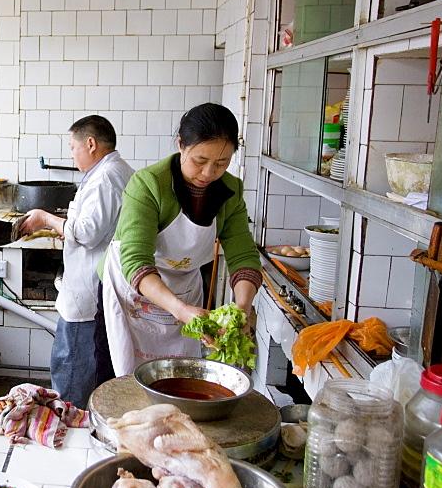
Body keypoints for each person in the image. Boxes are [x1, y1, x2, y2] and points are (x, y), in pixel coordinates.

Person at [97, 103, 262, 378]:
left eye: (221, 163)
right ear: (181, 145)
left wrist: (243, 307)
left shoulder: (230, 191)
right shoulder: (147, 184)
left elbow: (243, 256)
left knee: (178, 380)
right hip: (130, 289)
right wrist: (181, 311)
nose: (209, 174)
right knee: (117, 382)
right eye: (200, 161)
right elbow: (136, 261)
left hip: (183, 288)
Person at [20, 115, 134, 408]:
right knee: (83, 368)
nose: (72, 154)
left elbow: (85, 231)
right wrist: (65, 231)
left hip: (88, 292)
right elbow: (97, 228)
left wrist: (45, 218)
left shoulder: (106, 178)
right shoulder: (113, 171)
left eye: (73, 147)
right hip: (95, 284)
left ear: (91, 143)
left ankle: (64, 430)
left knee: (71, 371)